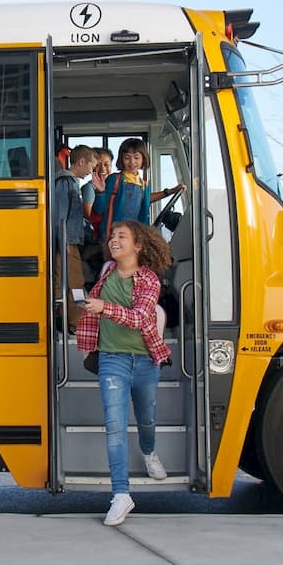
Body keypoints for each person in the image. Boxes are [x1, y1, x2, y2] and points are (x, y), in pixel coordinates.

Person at [75, 219, 173, 526]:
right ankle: (121, 495)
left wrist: (104, 308)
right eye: (113, 236)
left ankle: (148, 452)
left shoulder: (149, 280)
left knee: (147, 418)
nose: (114, 240)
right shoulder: (106, 272)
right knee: (115, 426)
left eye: (122, 236)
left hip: (145, 360)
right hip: (112, 360)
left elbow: (142, 319)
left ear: (138, 246)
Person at [90, 138, 182, 232]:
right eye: (127, 158)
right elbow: (99, 209)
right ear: (121, 159)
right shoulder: (114, 179)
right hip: (114, 234)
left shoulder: (143, 184)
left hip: (135, 234)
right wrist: (100, 192)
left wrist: (169, 192)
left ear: (143, 159)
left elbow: (146, 199)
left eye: (136, 158)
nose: (132, 162)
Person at [53, 145, 97, 327]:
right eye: (91, 167)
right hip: (67, 240)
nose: (91, 172)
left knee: (61, 280)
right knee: (76, 281)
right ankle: (76, 321)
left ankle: (62, 317)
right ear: (81, 161)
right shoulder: (66, 182)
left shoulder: (69, 182)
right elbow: (60, 215)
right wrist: (63, 240)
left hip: (69, 239)